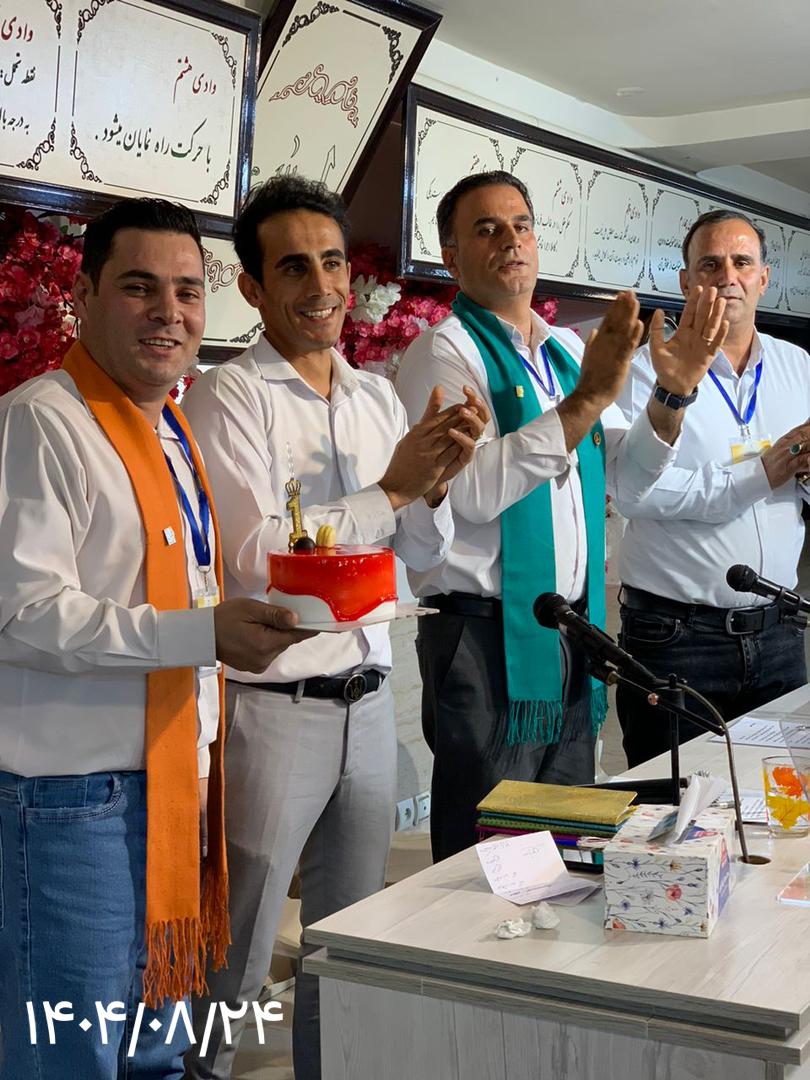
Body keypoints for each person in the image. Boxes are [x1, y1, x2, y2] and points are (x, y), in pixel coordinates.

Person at [181, 174, 486, 1080]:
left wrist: (435, 484)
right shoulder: (227, 397)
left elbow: (416, 552)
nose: (320, 286)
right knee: (235, 948)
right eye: (293, 267)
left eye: (332, 262)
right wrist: (389, 490)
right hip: (273, 710)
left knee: (349, 944)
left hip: (368, 695)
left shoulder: (376, 397)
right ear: (251, 287)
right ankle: (195, 1071)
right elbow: (255, 561)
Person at [0, 198, 312, 1080]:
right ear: (84, 295)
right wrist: (201, 634)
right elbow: (23, 612)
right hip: (71, 804)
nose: (168, 312)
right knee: (73, 1055)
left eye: (186, 291)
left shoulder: (169, 427)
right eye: (139, 287)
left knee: (154, 1052)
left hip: (174, 781)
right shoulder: (43, 420)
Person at [395, 170, 728, 861]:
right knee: (491, 850)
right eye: (487, 228)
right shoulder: (443, 350)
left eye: (521, 225)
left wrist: (672, 393)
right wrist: (585, 403)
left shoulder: (566, 351)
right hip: (484, 636)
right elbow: (468, 491)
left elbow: (625, 478)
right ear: (450, 256)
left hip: (571, 631)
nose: (510, 240)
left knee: (567, 848)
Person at [613, 209, 810, 766]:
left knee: (779, 795)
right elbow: (635, 493)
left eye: (742, 262)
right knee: (671, 802)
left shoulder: (797, 366)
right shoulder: (645, 371)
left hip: (779, 632)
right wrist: (763, 472)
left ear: (763, 278)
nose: (728, 276)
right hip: (676, 639)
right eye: (710, 264)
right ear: (686, 281)